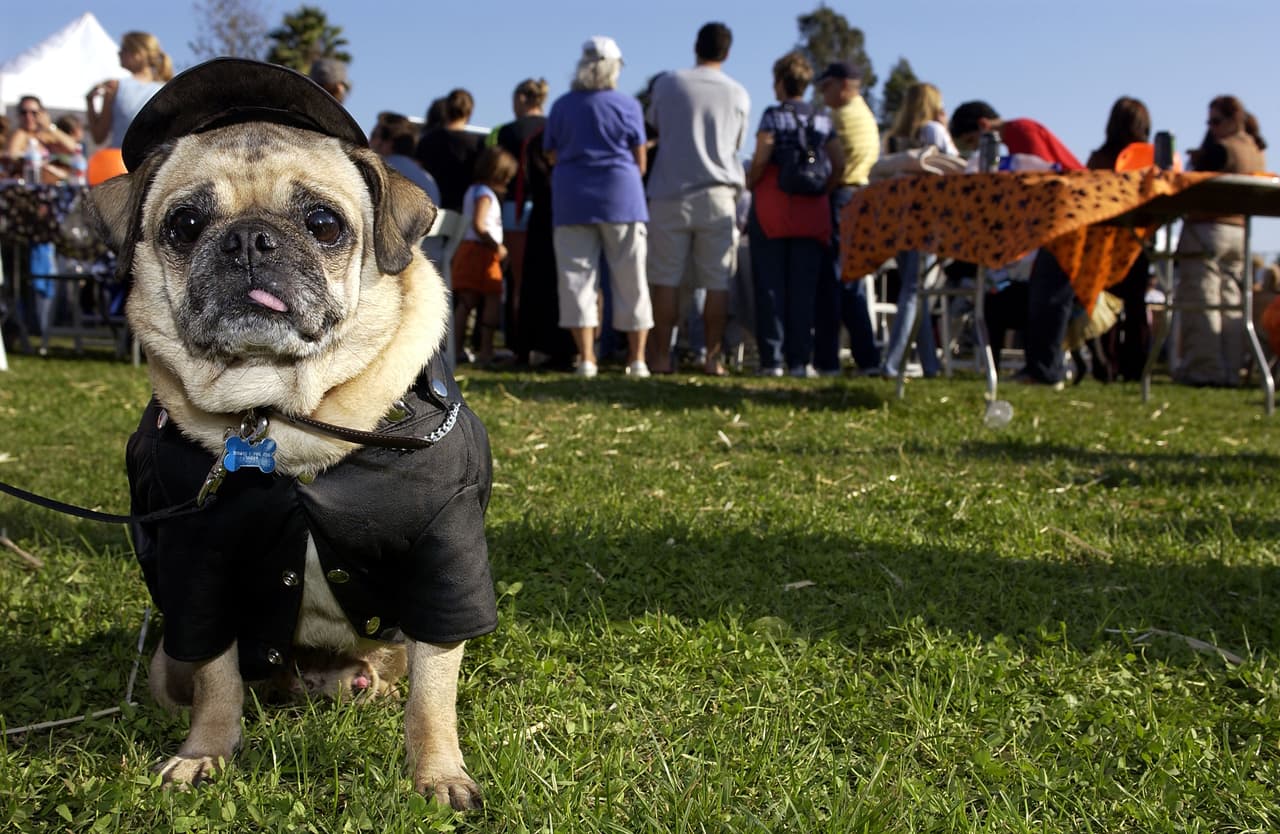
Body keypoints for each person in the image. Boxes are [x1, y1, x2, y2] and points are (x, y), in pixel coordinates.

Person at [950, 101, 1084, 387]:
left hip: (1068, 216)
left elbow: (1039, 180)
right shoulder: (1015, 136)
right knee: (1041, 293)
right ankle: (1041, 369)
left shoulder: (1020, 130)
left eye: (973, 142)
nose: (976, 150)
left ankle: (1045, 371)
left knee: (1050, 294)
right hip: (1058, 220)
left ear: (984, 126)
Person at [643, 22, 750, 376]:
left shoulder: (669, 83)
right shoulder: (737, 93)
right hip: (717, 194)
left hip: (669, 192)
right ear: (728, 51)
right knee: (716, 280)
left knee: (665, 278)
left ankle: (660, 357)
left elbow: (654, 124)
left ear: (696, 46)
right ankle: (712, 358)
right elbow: (735, 145)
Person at [544, 36, 653, 378]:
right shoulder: (627, 105)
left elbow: (551, 154)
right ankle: (636, 359)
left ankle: (587, 358)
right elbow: (641, 161)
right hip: (622, 198)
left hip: (572, 198)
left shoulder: (562, 106)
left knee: (577, 279)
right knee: (631, 278)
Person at [744, 50, 845, 377]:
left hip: (774, 210)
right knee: (805, 290)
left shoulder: (773, 116)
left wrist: (751, 181)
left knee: (771, 286)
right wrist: (824, 189)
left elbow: (761, 157)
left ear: (780, 82)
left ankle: (772, 359)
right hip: (812, 213)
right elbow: (839, 163)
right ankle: (800, 361)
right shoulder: (822, 119)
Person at [1177, 95, 1268, 387]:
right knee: (1232, 303)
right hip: (1239, 232)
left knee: (1202, 299)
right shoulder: (1255, 149)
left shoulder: (1221, 150)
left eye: (1216, 121)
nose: (1212, 128)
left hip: (1208, 229)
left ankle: (1204, 370)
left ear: (1233, 119)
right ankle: (1231, 369)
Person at [878, 82, 958, 379]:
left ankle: (930, 365)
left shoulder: (894, 139)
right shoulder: (934, 131)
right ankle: (893, 362)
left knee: (917, 292)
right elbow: (957, 166)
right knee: (915, 291)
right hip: (928, 220)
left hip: (898, 221)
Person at [812, 60, 880, 377]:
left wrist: (822, 187)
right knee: (850, 282)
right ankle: (867, 357)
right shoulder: (865, 114)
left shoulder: (839, 118)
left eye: (825, 87)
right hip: (861, 198)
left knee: (832, 282)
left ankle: (827, 360)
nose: (822, 95)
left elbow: (834, 163)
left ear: (842, 85)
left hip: (842, 197)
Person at [1085, 96, 1154, 382]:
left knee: (1107, 305)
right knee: (1136, 305)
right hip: (1137, 240)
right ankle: (1136, 367)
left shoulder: (1100, 159)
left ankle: (1107, 366)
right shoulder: (1149, 159)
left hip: (1107, 242)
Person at [488, 78, 551, 358]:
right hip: (545, 208)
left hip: (513, 209)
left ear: (522, 99)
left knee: (517, 280)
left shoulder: (506, 132)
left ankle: (519, 342)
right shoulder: (551, 127)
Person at [452, 147, 519, 366]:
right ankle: (486, 351)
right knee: (491, 298)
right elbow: (479, 224)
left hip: (468, 249)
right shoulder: (485, 195)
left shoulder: (472, 190)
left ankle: (457, 348)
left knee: (465, 301)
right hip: (481, 252)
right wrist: (497, 246)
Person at [370, 112, 444, 266]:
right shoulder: (428, 178)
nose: (369, 141)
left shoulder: (379, 174)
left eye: (374, 135)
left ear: (388, 143)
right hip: (434, 259)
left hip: (400, 261)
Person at [85, 31, 173, 149]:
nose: (119, 53)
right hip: (152, 163)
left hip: (119, 161)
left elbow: (99, 136)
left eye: (124, 49)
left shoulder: (115, 86)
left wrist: (90, 102)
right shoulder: (167, 89)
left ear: (138, 54)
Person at [416, 89, 484, 211]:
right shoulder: (477, 145)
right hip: (463, 210)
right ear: (469, 112)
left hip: (432, 205)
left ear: (446, 110)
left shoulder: (428, 141)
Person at [6, 95, 78, 182]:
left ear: (42, 113)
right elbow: (12, 155)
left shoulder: (44, 136)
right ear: (18, 115)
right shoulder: (20, 134)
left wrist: (49, 126)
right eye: (24, 112)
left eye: (34, 113)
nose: (28, 117)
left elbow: (74, 148)